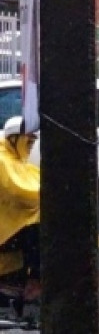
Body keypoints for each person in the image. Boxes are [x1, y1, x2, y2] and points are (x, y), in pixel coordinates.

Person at [0, 117, 41, 303]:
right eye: (29, 141)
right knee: (37, 230)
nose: (31, 146)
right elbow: (20, 191)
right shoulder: (3, 160)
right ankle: (35, 282)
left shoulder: (16, 159)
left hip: (9, 224)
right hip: (4, 229)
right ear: (15, 138)